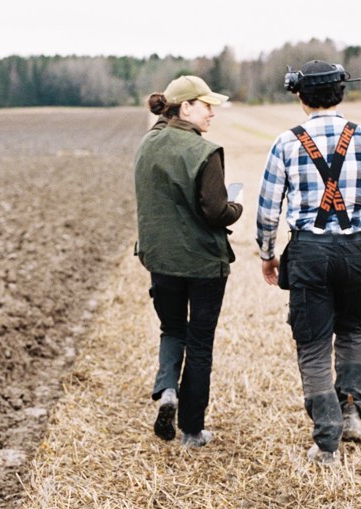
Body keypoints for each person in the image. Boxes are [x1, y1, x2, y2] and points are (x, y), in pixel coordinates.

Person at [256, 60, 361, 464]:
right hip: (355, 251)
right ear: (341, 93)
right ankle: (352, 413)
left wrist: (267, 254)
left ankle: (327, 441)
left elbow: (268, 211)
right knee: (354, 332)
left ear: (301, 96)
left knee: (313, 344)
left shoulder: (285, 143)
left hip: (307, 253)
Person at [133, 75, 243, 448]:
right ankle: (192, 431)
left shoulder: (146, 144)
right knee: (199, 342)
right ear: (185, 107)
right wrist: (236, 206)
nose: (212, 112)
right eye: (206, 105)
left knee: (172, 329)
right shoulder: (205, 152)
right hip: (203, 264)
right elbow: (216, 212)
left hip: (160, 260)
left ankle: (167, 391)